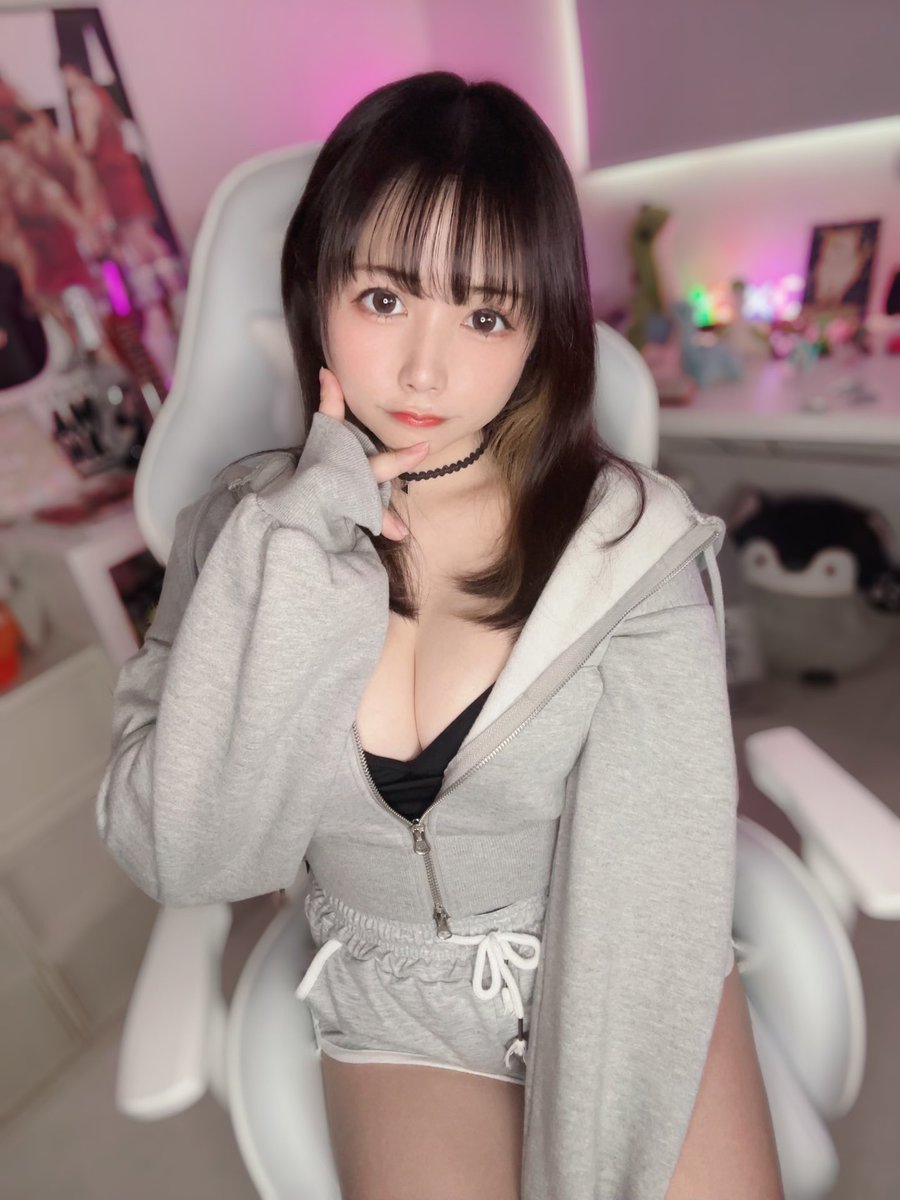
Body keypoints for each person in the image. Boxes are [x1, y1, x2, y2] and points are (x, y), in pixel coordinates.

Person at [96, 73, 782, 1199]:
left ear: (541, 330)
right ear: (317, 288)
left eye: (485, 315)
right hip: (390, 992)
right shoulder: (239, 531)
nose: (425, 370)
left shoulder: (630, 545)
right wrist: (300, 548)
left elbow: (653, 882)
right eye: (383, 299)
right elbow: (197, 857)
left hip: (613, 948)